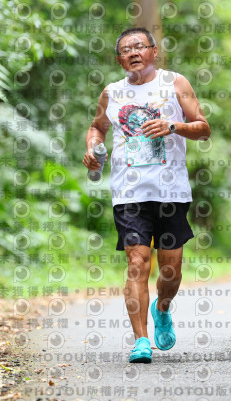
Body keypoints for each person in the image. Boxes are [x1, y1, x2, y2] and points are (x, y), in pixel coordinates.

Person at [82, 27, 211, 363]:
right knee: (137, 262)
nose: (134, 52)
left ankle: (162, 308)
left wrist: (173, 126)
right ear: (119, 59)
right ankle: (141, 341)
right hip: (129, 193)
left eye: (140, 46)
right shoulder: (112, 93)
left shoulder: (175, 84)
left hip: (171, 191)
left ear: (154, 52)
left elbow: (203, 128)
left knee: (171, 271)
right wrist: (93, 148)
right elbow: (97, 127)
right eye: (126, 49)